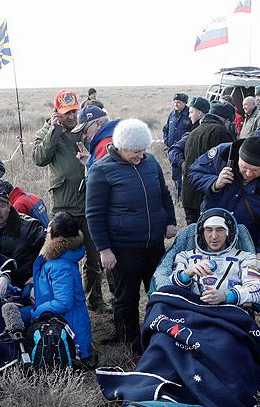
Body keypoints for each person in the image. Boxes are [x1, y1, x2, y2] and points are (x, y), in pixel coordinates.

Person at [85, 119, 177, 351]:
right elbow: (94, 214)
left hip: (154, 243)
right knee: (127, 297)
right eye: (135, 152)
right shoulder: (101, 170)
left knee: (158, 291)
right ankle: (130, 342)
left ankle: (159, 336)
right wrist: (104, 249)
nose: (140, 155)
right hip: (123, 247)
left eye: (143, 150)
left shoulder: (151, 162)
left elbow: (164, 194)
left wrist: (170, 221)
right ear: (120, 147)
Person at [33, 90, 107, 312]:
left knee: (94, 256)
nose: (72, 116)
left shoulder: (83, 130)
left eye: (74, 111)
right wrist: (54, 131)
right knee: (61, 256)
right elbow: (39, 158)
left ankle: (94, 299)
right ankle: (62, 298)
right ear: (56, 112)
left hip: (89, 203)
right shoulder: (46, 132)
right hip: (64, 206)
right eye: (67, 113)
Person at [188, 136, 260, 270]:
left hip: (246, 242)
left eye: (255, 170)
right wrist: (214, 183)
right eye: (244, 167)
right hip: (210, 234)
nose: (248, 173)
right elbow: (194, 173)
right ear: (238, 157)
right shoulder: (222, 154)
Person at [24, 212, 95, 364]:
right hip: (60, 320)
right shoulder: (60, 257)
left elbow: (63, 302)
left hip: (69, 332)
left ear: (53, 235)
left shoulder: (60, 266)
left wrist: (37, 311)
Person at [170, 208, 260, 308]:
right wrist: (187, 274)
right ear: (201, 233)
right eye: (209, 230)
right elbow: (168, 287)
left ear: (229, 232)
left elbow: (259, 292)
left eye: (220, 230)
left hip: (228, 313)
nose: (214, 236)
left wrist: (227, 297)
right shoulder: (185, 256)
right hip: (191, 311)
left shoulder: (246, 258)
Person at [182, 101, 236, 224]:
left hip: (189, 195)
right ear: (226, 119)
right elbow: (223, 166)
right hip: (206, 196)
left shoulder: (195, 131)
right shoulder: (220, 132)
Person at [0, 188, 46, 287]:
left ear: (9, 207)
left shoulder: (29, 227)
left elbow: (52, 246)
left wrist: (39, 276)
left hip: (27, 284)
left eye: (2, 206)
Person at [166, 96, 209, 202]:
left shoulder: (198, 132)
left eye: (191, 112)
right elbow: (173, 149)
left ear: (200, 113)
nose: (189, 116)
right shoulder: (172, 115)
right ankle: (178, 197)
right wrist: (183, 163)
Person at [164, 93, 192, 195]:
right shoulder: (172, 115)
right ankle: (178, 195)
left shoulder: (189, 114)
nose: (176, 104)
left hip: (185, 151)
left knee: (186, 175)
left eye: (178, 102)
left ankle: (185, 195)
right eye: (175, 102)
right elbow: (166, 129)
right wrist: (167, 141)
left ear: (184, 103)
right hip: (173, 151)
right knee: (175, 175)